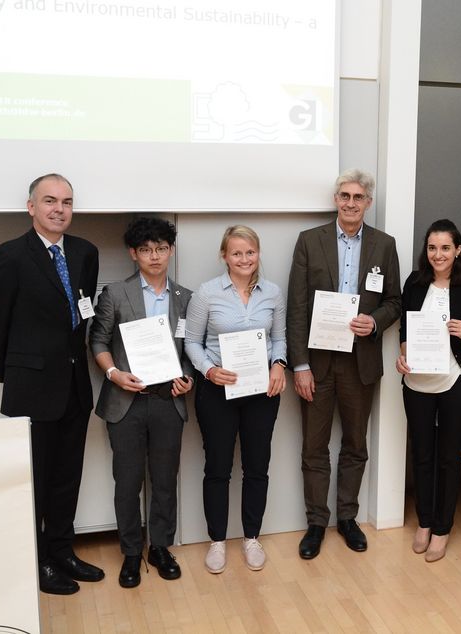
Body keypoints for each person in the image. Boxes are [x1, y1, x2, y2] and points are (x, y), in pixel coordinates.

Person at [0, 173, 103, 595]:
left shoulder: (86, 252)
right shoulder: (12, 255)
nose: (59, 209)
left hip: (74, 386)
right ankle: (36, 563)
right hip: (31, 389)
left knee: (67, 477)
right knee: (33, 479)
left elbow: (82, 316)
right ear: (31, 206)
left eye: (67, 202)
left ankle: (62, 551)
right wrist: (14, 371)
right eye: (49, 201)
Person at [288, 168, 401, 559]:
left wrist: (375, 322)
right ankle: (316, 522)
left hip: (360, 361)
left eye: (358, 197)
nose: (351, 203)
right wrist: (298, 366)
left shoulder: (384, 245)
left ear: (368, 202)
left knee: (356, 444)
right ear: (336, 200)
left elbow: (395, 302)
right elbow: (297, 307)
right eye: (344, 196)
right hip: (317, 363)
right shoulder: (309, 242)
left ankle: (348, 518)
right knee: (314, 447)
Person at [88, 217, 193, 588]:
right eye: (146, 249)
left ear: (171, 251)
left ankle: (160, 547)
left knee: (165, 480)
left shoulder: (185, 297)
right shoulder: (116, 293)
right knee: (127, 481)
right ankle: (132, 552)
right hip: (125, 402)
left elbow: (189, 351)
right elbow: (97, 342)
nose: (154, 256)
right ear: (134, 253)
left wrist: (188, 378)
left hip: (168, 402)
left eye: (161, 248)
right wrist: (115, 374)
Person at [185, 225, 288, 574]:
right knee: (217, 468)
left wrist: (279, 364)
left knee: (257, 467)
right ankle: (217, 541)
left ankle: (251, 538)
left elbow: (279, 338)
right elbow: (192, 343)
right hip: (217, 392)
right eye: (236, 253)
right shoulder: (207, 294)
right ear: (224, 256)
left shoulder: (272, 293)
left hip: (262, 392)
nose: (244, 259)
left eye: (250, 252)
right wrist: (209, 371)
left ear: (258, 254)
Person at [396, 219, 461, 562]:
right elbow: (405, 330)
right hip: (417, 382)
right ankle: (424, 522)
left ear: (458, 250)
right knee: (421, 454)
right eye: (432, 248)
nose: (438, 254)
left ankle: (443, 529)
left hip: (453, 381)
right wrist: (402, 358)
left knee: (447, 457)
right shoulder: (415, 284)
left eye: (445, 248)